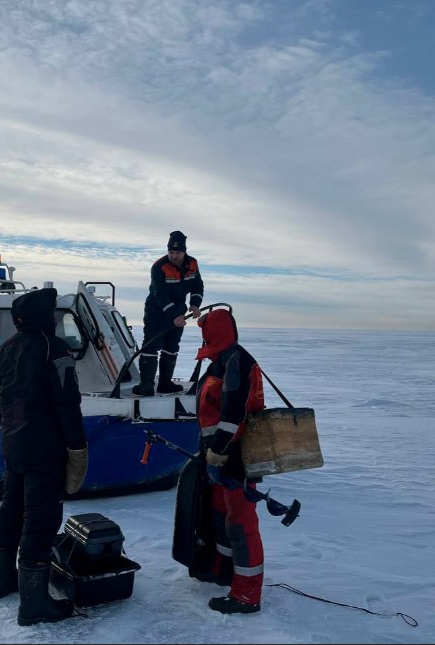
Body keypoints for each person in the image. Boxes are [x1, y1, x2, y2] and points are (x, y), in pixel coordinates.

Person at [0, 287, 89, 627]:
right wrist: (76, 447)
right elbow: (67, 403)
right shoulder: (54, 349)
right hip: (45, 450)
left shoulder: (4, 350)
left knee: (11, 509)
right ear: (45, 318)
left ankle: (2, 583)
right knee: (41, 519)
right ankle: (33, 604)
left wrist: (13, 430)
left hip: (13, 446)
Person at [194, 308, 265, 614]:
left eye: (206, 332)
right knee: (223, 515)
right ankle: (225, 571)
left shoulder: (236, 361)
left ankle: (247, 595)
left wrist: (219, 450)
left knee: (240, 523)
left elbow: (233, 414)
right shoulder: (221, 361)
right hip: (221, 457)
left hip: (237, 457)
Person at [132, 230, 204, 396]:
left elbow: (197, 286)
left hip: (178, 311)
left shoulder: (192, 264)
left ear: (184, 252)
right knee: (151, 346)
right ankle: (146, 385)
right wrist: (174, 316)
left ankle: (165, 383)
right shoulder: (159, 267)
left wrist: (195, 304)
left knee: (171, 347)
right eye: (171, 252)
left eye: (177, 253)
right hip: (156, 312)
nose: (174, 256)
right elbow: (160, 294)